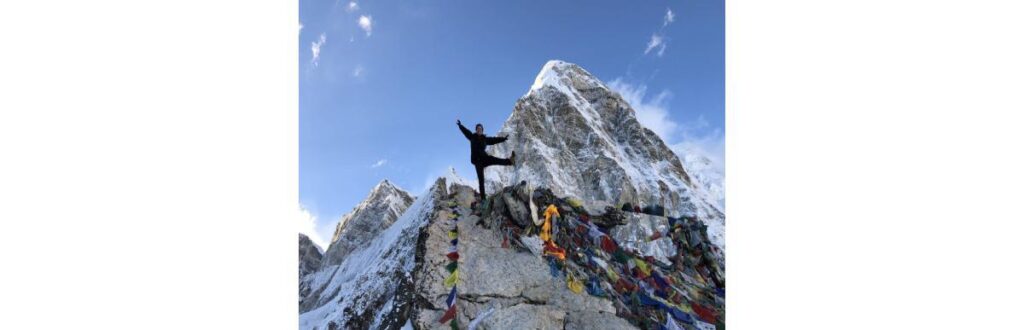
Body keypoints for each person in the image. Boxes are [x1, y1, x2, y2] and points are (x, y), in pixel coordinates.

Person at [457, 119, 515, 201]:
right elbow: (466, 131)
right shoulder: (472, 137)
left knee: (495, 160)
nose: (479, 130)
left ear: (482, 130)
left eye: (480, 129)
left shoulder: (485, 139)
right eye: (478, 129)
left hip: (485, 158)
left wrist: (503, 139)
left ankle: (510, 161)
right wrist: (460, 125)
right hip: (477, 161)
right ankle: (483, 199)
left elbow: (494, 140)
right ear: (476, 130)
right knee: (481, 180)